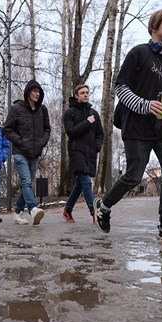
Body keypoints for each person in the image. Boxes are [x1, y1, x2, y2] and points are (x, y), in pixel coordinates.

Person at [94, 9, 162, 241]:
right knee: (134, 175)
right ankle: (105, 205)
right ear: (154, 26)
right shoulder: (138, 53)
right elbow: (120, 88)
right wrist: (145, 105)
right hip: (136, 127)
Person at [3, 79, 50, 225]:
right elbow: (7, 129)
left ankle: (17, 213)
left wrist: (42, 142)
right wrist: (20, 141)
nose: (37, 94)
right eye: (35, 91)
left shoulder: (43, 110)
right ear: (28, 92)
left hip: (35, 153)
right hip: (20, 152)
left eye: (39, 92)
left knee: (27, 184)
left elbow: (47, 129)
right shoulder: (17, 109)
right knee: (26, 181)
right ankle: (33, 209)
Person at [62, 84, 104, 223]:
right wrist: (87, 122)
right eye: (82, 93)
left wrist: (96, 147)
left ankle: (67, 210)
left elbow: (100, 134)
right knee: (86, 180)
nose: (85, 95)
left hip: (90, 152)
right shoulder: (70, 113)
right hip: (76, 151)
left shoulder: (94, 113)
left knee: (80, 183)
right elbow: (71, 132)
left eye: (87, 92)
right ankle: (94, 212)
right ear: (76, 95)